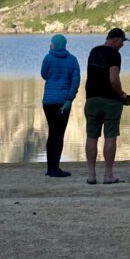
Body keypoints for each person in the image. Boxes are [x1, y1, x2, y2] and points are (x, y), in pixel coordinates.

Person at [84, 27, 130, 185]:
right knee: (110, 137)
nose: (122, 46)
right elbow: (113, 79)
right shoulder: (114, 54)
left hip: (91, 99)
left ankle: (91, 175)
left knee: (91, 137)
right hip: (110, 101)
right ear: (116, 39)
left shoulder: (94, 51)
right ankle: (108, 175)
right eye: (122, 42)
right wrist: (122, 94)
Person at [40, 34, 80, 178]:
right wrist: (70, 98)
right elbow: (75, 81)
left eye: (51, 43)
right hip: (64, 103)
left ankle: (50, 168)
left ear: (54, 44)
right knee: (59, 134)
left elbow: (44, 75)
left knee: (52, 133)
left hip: (48, 102)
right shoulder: (72, 60)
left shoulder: (48, 58)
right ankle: (55, 168)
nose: (49, 45)